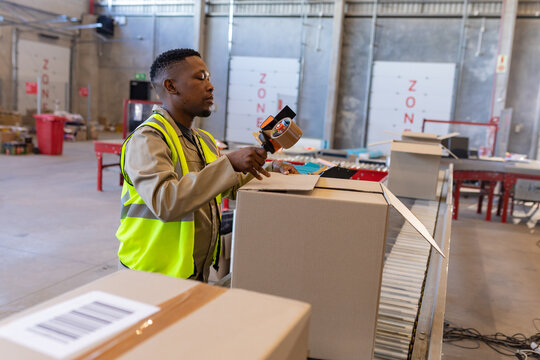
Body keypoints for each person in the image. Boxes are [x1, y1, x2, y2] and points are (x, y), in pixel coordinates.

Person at [116, 48, 298, 282]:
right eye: (200, 78)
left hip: (192, 272)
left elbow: (225, 185)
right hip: (150, 274)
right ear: (171, 86)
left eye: (209, 78)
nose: (210, 86)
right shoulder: (148, 139)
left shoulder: (203, 140)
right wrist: (229, 164)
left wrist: (270, 169)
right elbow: (166, 202)